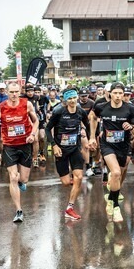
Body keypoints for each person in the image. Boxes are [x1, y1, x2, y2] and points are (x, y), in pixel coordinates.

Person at [0, 82, 39, 223]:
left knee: (24, 179)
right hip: (9, 146)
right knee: (13, 177)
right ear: (7, 93)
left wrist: (33, 134)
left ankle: (22, 182)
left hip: (25, 144)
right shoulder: (0, 108)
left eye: (16, 92)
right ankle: (19, 211)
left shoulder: (27, 104)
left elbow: (36, 121)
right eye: (11, 92)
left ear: (19, 91)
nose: (14, 95)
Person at [97, 83, 134, 224]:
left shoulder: (130, 109)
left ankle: (111, 199)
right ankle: (116, 207)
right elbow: (92, 117)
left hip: (123, 146)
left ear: (124, 95)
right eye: (115, 93)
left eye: (120, 93)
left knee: (121, 172)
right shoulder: (101, 107)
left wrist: (131, 128)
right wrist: (93, 135)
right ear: (110, 93)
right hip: (107, 145)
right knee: (116, 173)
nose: (117, 96)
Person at [47, 89, 88, 221]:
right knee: (65, 182)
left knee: (79, 177)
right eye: (69, 99)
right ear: (65, 100)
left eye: (74, 98)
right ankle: (72, 180)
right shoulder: (59, 112)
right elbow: (47, 129)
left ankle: (69, 208)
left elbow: (88, 125)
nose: (72, 101)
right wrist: (54, 145)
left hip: (75, 148)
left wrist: (87, 134)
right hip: (61, 150)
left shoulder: (81, 112)